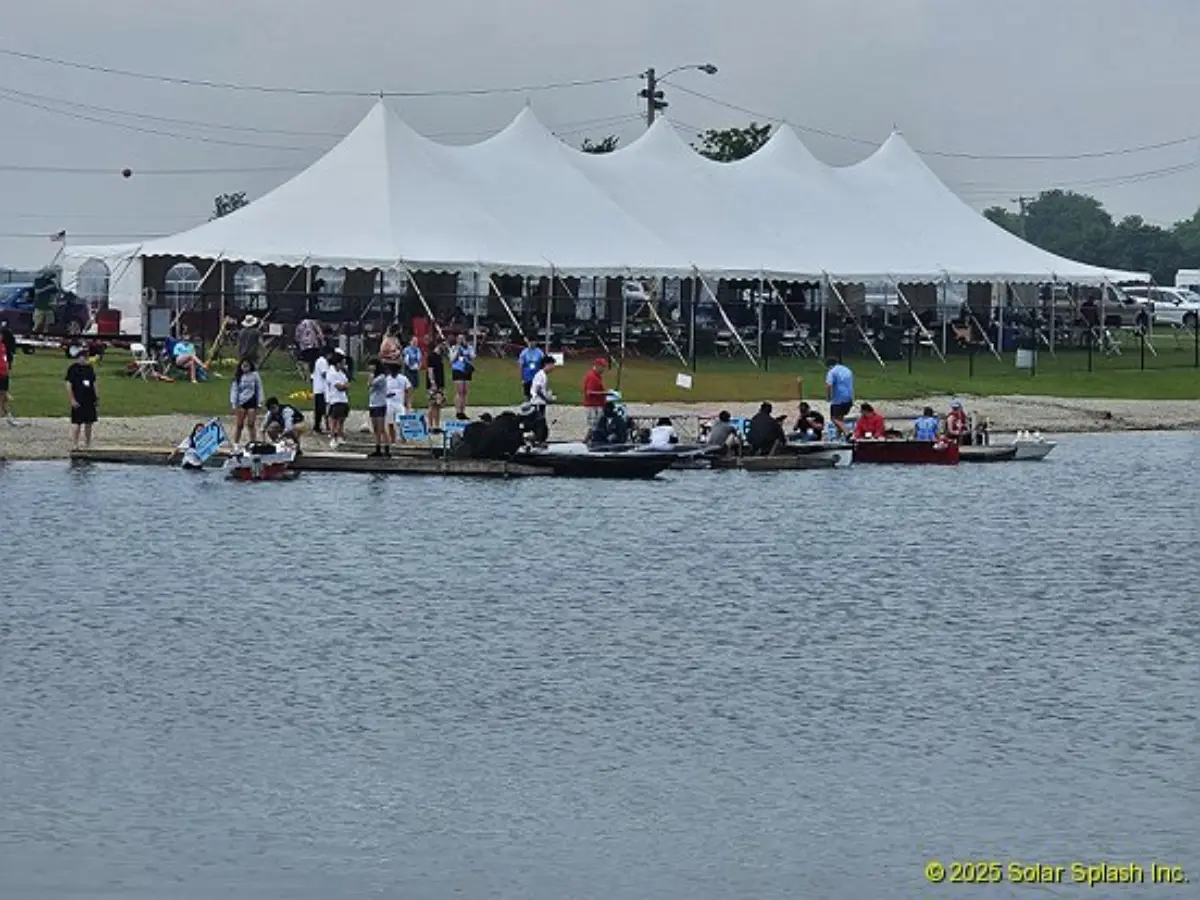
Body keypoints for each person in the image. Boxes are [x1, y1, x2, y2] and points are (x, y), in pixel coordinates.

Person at [65, 345, 98, 450]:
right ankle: (75, 444)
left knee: (89, 423)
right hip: (78, 398)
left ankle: (88, 444)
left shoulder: (89, 368)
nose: (85, 358)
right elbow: (68, 385)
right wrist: (72, 399)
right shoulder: (73, 369)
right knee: (77, 423)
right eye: (83, 356)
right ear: (78, 357)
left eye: (86, 356)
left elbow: (94, 383)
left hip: (89, 399)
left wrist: (96, 397)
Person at [229, 358, 264, 446]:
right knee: (239, 424)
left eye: (247, 366)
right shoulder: (238, 377)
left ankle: (253, 442)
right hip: (241, 402)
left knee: (251, 423)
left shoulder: (255, 375)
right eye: (243, 366)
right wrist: (233, 403)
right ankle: (236, 443)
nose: (245, 368)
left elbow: (259, 388)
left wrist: (260, 401)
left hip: (252, 401)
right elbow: (234, 390)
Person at [325, 351, 351, 448]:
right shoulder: (331, 373)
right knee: (334, 420)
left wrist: (345, 386)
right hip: (335, 399)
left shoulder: (341, 373)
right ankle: (333, 438)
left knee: (341, 420)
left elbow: (347, 383)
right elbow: (339, 387)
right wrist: (345, 386)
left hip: (343, 399)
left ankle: (340, 435)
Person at [528, 356, 556, 442]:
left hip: (541, 402)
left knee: (541, 420)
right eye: (552, 365)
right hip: (537, 402)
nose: (553, 367)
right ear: (546, 364)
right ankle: (538, 438)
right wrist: (546, 399)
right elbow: (538, 390)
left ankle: (539, 437)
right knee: (539, 422)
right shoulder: (541, 375)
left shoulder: (543, 375)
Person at [824, 357, 855, 436]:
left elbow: (828, 385)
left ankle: (847, 432)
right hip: (849, 398)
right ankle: (839, 435)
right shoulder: (847, 370)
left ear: (830, 366)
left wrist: (828, 397)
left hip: (838, 399)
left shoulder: (832, 372)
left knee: (834, 418)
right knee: (840, 418)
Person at [366, 359, 391, 457]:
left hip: (380, 404)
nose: (369, 368)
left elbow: (370, 384)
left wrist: (371, 376)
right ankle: (377, 448)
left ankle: (387, 448)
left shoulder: (381, 377)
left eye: (371, 365)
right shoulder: (374, 376)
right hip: (373, 404)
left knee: (381, 428)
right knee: (376, 428)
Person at [384, 363, 413, 445]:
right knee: (390, 422)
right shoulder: (387, 379)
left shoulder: (403, 378)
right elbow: (384, 391)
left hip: (399, 403)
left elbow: (408, 389)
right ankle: (393, 440)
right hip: (389, 402)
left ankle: (403, 437)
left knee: (400, 422)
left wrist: (408, 402)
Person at [450, 333, 476, 419]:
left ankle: (463, 411)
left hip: (467, 370)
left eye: (462, 338)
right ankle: (458, 411)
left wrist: (468, 353)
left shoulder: (469, 347)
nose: (461, 340)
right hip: (458, 370)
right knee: (459, 391)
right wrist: (457, 351)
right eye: (459, 338)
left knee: (465, 392)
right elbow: (452, 359)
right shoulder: (454, 348)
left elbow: (473, 357)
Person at [582, 357, 608, 438]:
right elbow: (589, 392)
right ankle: (588, 440)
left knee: (596, 426)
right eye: (602, 367)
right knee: (593, 426)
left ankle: (590, 439)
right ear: (597, 366)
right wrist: (604, 393)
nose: (604, 369)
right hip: (592, 405)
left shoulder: (598, 376)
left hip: (597, 404)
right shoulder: (592, 377)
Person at [426, 336, 447, 432]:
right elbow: (430, 371)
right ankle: (430, 425)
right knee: (432, 404)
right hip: (433, 384)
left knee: (438, 405)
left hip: (440, 383)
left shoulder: (440, 357)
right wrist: (433, 383)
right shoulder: (431, 356)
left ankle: (437, 425)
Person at [311, 348, 331, 434]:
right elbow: (324, 374)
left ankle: (318, 426)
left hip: (318, 388)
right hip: (321, 389)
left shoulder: (319, 361)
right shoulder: (322, 361)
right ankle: (323, 426)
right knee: (322, 409)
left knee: (319, 409)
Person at [32, 269, 56, 334]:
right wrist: (47, 287)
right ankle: (34, 335)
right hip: (39, 306)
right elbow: (37, 291)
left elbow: (54, 293)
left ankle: (45, 336)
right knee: (37, 323)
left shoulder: (51, 282)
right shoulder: (38, 281)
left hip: (49, 306)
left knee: (47, 324)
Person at [0, 334, 12, 425]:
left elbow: (5, 359)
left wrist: (8, 369)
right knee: (3, 394)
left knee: (4, 394)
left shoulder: (3, 346)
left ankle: (6, 413)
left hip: (4, 373)